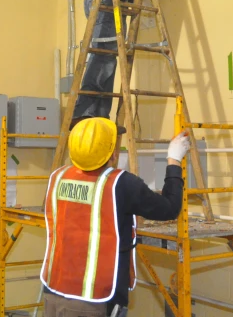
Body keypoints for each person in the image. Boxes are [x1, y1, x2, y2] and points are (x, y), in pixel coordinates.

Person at [41, 117, 190, 317]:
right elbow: (170, 208)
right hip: (94, 299)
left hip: (54, 292)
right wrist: (174, 160)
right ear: (111, 152)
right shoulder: (121, 183)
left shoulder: (58, 177)